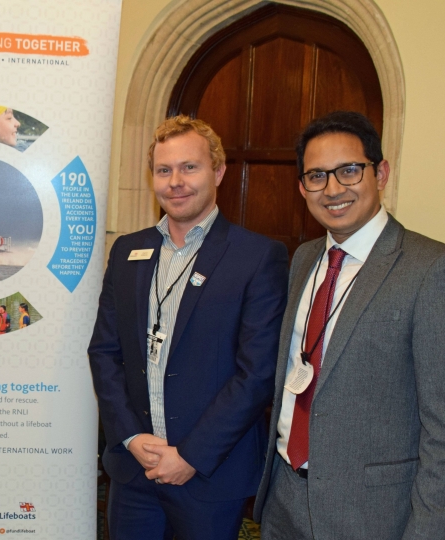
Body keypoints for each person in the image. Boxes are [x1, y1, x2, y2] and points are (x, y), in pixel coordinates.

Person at [253, 111, 445, 540]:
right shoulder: (303, 260)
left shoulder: (436, 271)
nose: (333, 189)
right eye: (317, 176)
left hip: (374, 518)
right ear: (302, 187)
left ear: (382, 173)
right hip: (284, 504)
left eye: (349, 171)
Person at [88, 115, 288, 539]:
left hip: (208, 477)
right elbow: (105, 353)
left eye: (189, 167)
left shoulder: (257, 257)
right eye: (164, 170)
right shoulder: (128, 251)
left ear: (218, 171)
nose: (175, 181)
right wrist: (129, 437)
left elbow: (256, 374)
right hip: (134, 473)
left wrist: (191, 456)